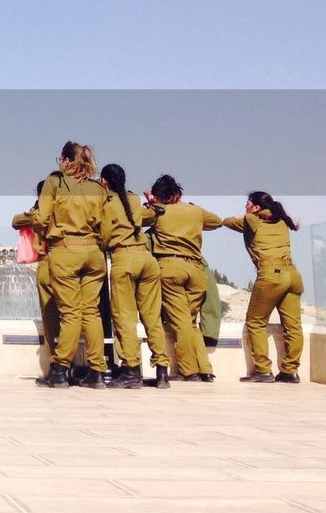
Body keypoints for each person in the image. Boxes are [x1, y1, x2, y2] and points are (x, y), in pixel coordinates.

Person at [34, 142, 108, 389]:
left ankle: (59, 368)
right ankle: (97, 370)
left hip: (65, 250)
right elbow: (106, 227)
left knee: (70, 312)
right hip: (94, 252)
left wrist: (41, 233)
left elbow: (42, 217)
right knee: (91, 312)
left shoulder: (54, 183)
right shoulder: (97, 189)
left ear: (66, 161)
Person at [144, 174, 223, 382]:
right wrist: (193, 215)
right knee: (190, 321)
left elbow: (136, 218)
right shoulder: (194, 210)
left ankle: (189, 371)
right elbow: (217, 221)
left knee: (181, 323)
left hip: (170, 268)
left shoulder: (158, 211)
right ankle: (205, 368)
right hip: (196, 270)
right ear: (177, 193)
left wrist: (152, 205)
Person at [97, 163, 170, 389]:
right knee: (152, 317)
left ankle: (131, 370)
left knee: (125, 317)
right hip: (147, 260)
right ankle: (161, 371)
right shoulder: (134, 199)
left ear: (104, 182)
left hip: (124, 260)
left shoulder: (107, 204)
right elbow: (154, 212)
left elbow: (106, 236)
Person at [224, 192, 304, 383]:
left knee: (255, 322)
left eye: (247, 204)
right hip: (292, 274)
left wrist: (244, 215)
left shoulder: (252, 221)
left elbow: (226, 221)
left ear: (256, 207)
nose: (245, 206)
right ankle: (290, 371)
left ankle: (262, 370)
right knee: (292, 326)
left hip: (270, 274)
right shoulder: (283, 221)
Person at [12, 180, 58, 358]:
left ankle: (58, 363)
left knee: (50, 315)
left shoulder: (39, 212)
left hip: (47, 262)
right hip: (70, 260)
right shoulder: (65, 208)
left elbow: (16, 221)